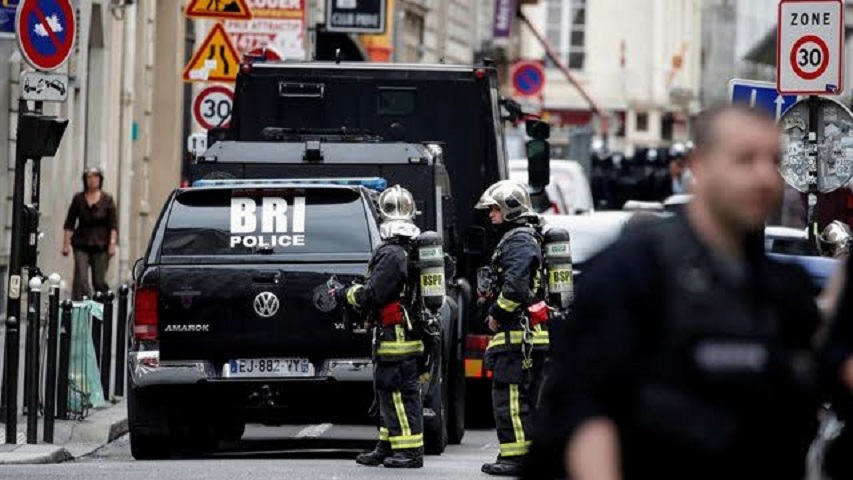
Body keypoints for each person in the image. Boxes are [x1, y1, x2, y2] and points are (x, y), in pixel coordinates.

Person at [526, 104, 821, 480]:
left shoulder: (785, 291)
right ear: (700, 166)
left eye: (774, 160)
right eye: (745, 160)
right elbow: (585, 414)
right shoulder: (629, 272)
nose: (764, 176)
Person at [334, 185, 425, 469]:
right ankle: (387, 445)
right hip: (400, 334)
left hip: (395, 337)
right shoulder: (408, 249)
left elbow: (374, 294)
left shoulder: (392, 254)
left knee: (397, 393)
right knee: (388, 392)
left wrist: (346, 294)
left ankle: (408, 451)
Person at [474, 180, 550, 476]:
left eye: (494, 209)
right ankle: (523, 456)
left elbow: (516, 286)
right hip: (526, 336)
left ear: (509, 208)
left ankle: (515, 460)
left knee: (511, 400)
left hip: (518, 337)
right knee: (523, 401)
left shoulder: (518, 240)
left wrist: (495, 314)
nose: (491, 215)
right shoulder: (523, 238)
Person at [62, 166, 118, 300]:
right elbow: (69, 223)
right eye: (89, 177)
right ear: (85, 180)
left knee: (99, 280)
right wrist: (65, 244)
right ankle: (82, 305)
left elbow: (113, 225)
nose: (92, 180)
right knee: (81, 279)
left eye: (95, 177)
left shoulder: (107, 200)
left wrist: (112, 244)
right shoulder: (79, 199)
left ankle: (103, 305)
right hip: (81, 242)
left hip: (101, 244)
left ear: (100, 180)